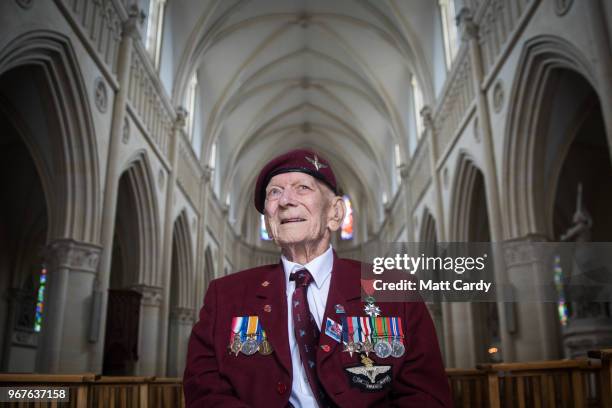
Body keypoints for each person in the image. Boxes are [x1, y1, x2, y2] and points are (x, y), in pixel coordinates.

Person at [183, 149, 452, 407]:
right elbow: (203, 389)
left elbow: (426, 395)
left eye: (303, 188)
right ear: (267, 219)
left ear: (335, 213)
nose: (286, 201)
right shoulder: (225, 295)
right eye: (274, 192)